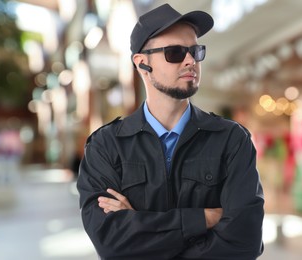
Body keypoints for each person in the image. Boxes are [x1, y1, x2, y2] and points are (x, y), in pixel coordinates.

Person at [77, 3, 265, 259]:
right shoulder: (106, 145)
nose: (190, 61)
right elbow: (111, 243)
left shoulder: (232, 140)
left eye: (196, 51)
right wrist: (204, 218)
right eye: (175, 52)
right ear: (142, 63)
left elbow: (245, 243)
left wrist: (139, 225)